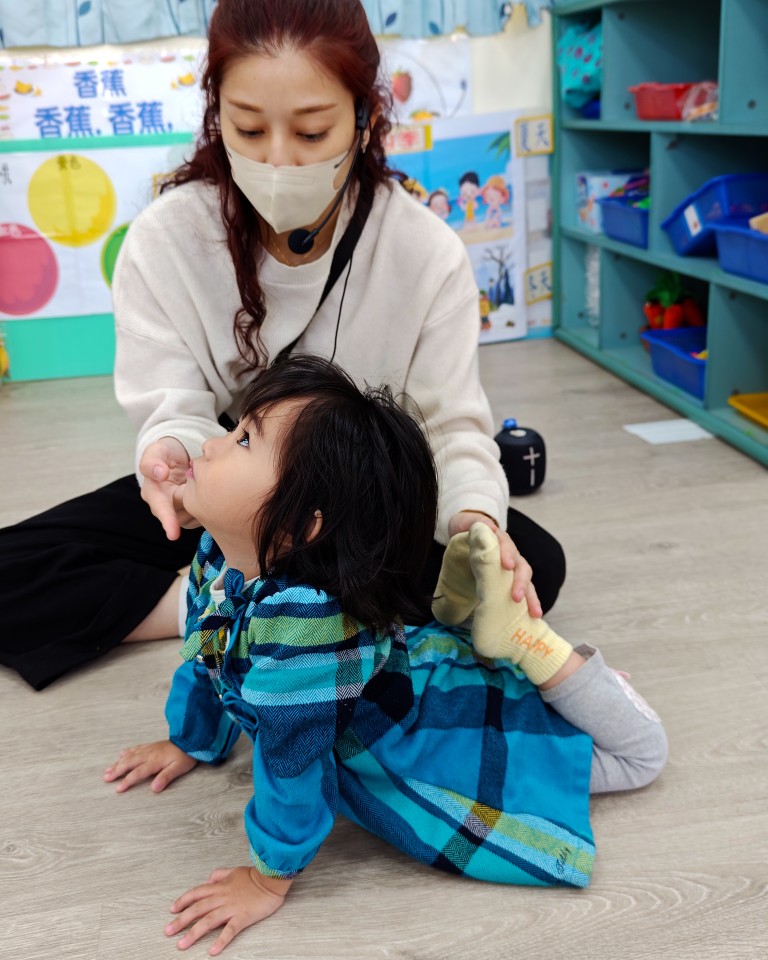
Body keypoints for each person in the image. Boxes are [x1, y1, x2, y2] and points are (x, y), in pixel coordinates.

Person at [0, 0, 565, 691]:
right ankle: (227, 605)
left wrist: (474, 523)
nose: (276, 160)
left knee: (529, 563)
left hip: (354, 509)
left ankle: (241, 605)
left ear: (364, 119)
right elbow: (173, 406)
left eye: (311, 130)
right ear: (217, 115)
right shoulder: (168, 239)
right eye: (247, 127)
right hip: (229, 490)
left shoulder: (424, 252)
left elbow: (450, 428)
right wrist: (171, 455)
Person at [104, 356, 667, 957]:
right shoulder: (220, 556)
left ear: (301, 522)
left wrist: (269, 878)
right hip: (397, 679)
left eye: (243, 440)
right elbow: (207, 655)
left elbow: (293, 764)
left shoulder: (303, 634)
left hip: (417, 742)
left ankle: (534, 645)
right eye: (235, 428)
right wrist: (190, 740)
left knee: (640, 755)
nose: (211, 444)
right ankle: (526, 652)